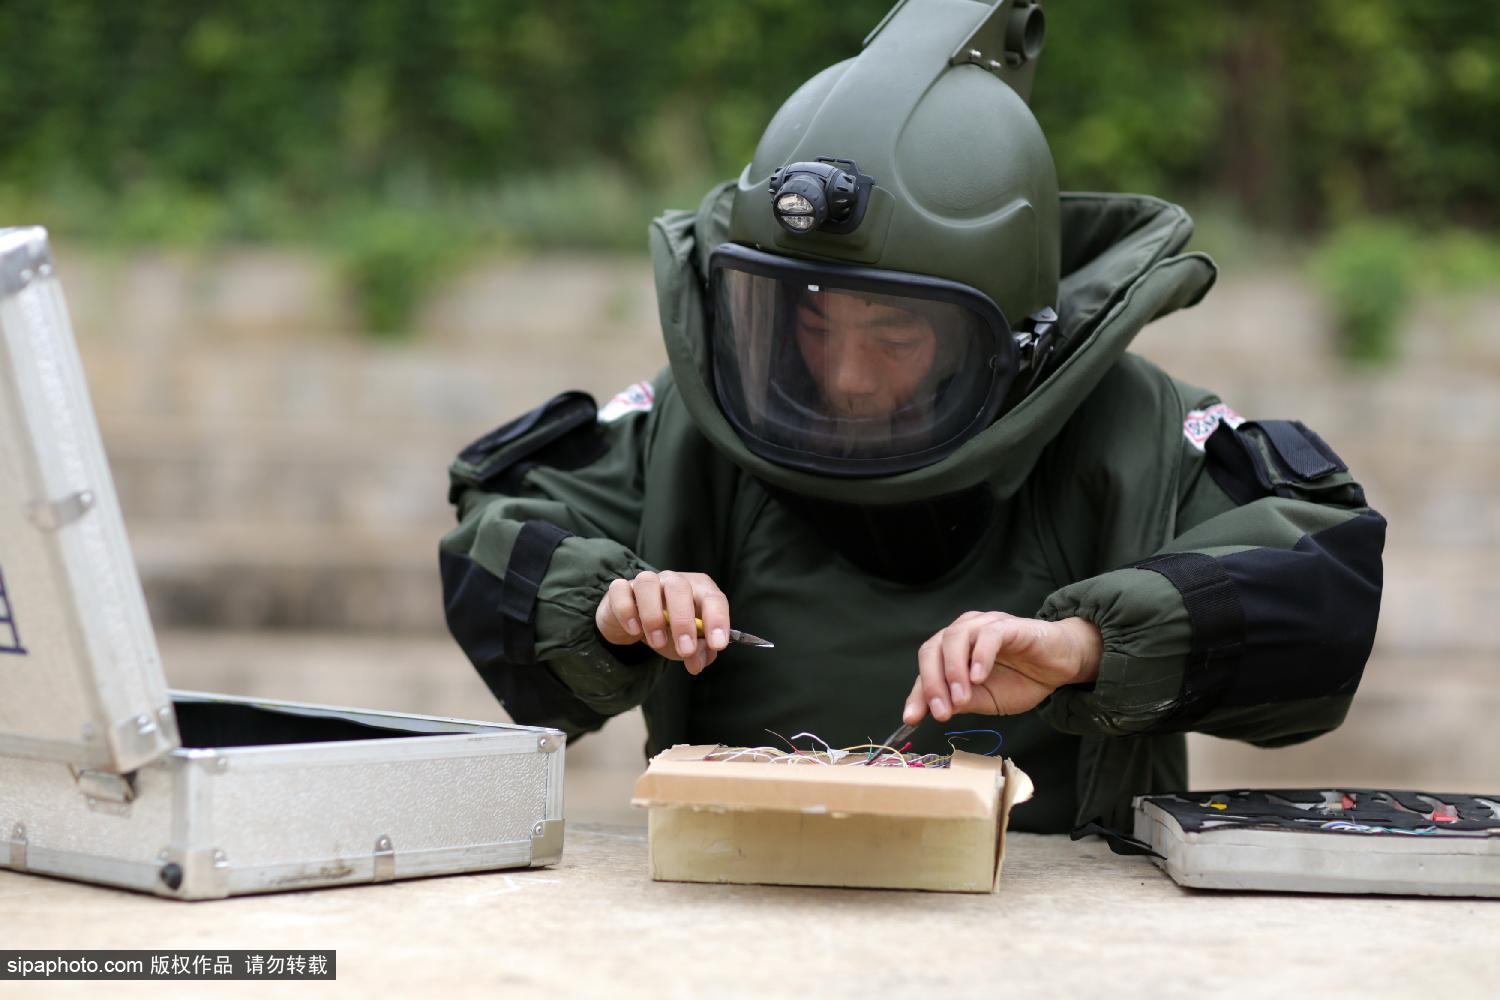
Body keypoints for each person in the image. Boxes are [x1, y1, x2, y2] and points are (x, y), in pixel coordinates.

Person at [439, 0, 1385, 834]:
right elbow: (499, 535)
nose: (846, 374)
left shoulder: (1129, 422)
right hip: (730, 907)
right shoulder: (702, 415)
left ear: (1012, 330)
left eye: (895, 332)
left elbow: (1323, 591)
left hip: (1060, 931)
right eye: (809, 322)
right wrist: (606, 606)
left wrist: (1086, 647)